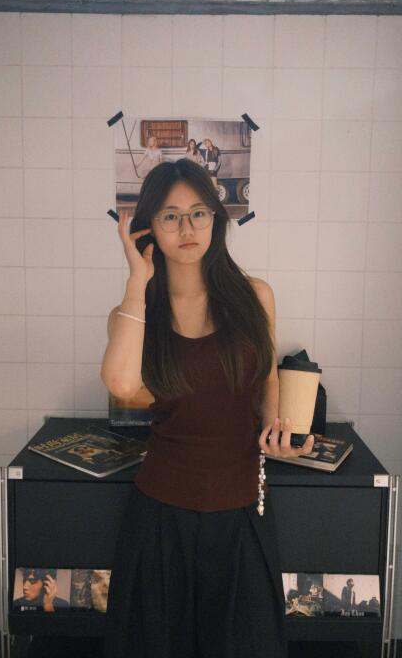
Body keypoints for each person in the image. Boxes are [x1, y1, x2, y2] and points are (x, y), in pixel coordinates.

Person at [100, 159, 315, 657]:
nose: (187, 228)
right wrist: (137, 280)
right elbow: (122, 382)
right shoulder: (133, 312)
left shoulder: (255, 296)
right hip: (161, 516)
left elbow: (265, 377)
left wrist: (276, 430)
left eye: (199, 213)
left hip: (241, 509)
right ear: (148, 228)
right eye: (170, 216)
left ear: (216, 220)